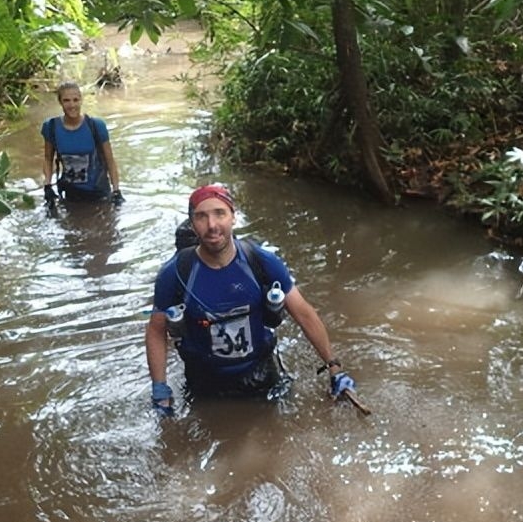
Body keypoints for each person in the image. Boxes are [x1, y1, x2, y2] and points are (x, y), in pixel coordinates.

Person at [145, 184, 357, 415]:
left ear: (233, 218)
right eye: (201, 217)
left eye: (220, 213)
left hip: (261, 375)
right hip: (204, 382)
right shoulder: (175, 273)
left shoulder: (261, 262)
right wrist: (160, 390)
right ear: (193, 224)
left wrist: (335, 368)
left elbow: (304, 314)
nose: (212, 225)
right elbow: (157, 330)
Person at [41, 81, 124, 206]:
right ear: (60, 102)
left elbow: (110, 160)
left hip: (99, 192)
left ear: (81, 100)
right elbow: (48, 158)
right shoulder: (51, 127)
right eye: (66, 100)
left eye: (75, 100)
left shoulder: (96, 126)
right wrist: (47, 186)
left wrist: (116, 190)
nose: (72, 105)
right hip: (70, 193)